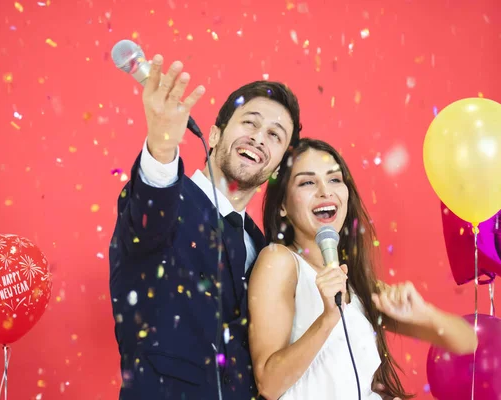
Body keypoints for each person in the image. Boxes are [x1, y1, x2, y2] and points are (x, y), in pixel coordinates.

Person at [109, 52, 302, 400]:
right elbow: (150, 216)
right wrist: (163, 145)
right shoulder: (170, 199)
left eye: (275, 135)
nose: (259, 137)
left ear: (275, 169)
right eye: (250, 123)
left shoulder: (264, 249)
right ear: (213, 135)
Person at [248, 138, 478, 400]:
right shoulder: (279, 260)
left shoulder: (354, 282)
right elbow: (268, 383)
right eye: (307, 182)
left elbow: (466, 341)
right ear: (283, 206)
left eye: (335, 179)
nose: (326, 191)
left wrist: (424, 314)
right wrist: (327, 319)